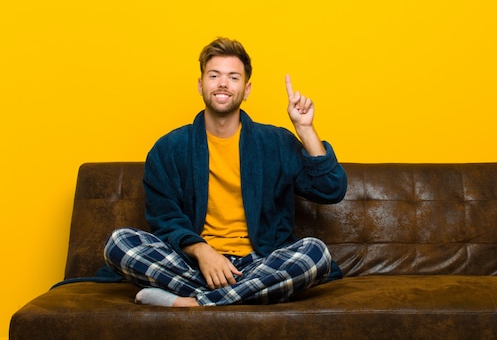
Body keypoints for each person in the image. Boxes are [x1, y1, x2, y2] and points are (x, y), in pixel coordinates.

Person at [103, 37, 347, 307]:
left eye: (233, 77)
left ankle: (190, 303)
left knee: (315, 253)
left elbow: (331, 189)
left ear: (246, 89)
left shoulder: (275, 142)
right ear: (200, 84)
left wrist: (305, 129)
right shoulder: (169, 148)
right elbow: (164, 219)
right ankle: (239, 295)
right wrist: (202, 251)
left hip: (259, 263)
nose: (222, 84)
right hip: (194, 264)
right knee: (119, 242)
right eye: (214, 75)